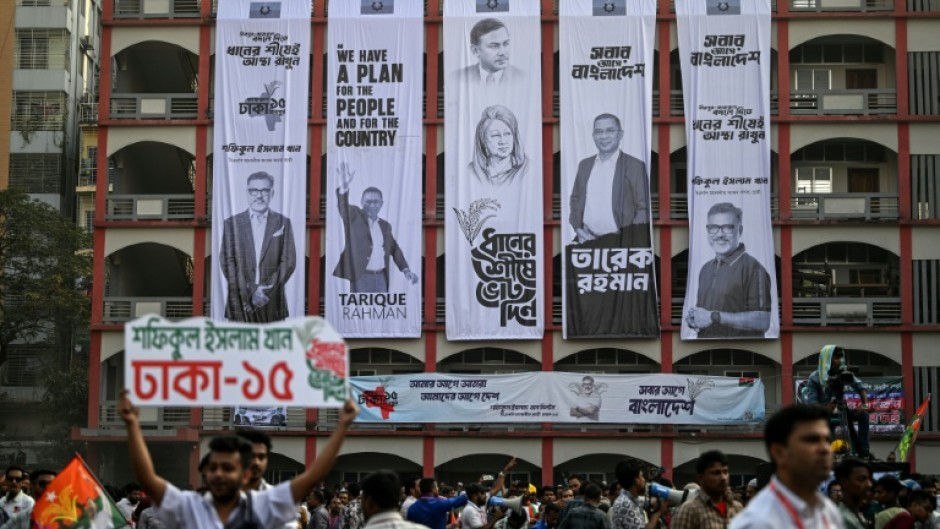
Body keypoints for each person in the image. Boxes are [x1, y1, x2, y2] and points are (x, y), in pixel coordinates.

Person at [117, 389, 358, 529]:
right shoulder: (190, 506)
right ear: (205, 473)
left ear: (243, 473)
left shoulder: (264, 504)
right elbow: (148, 479)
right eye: (214, 468)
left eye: (227, 468)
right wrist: (132, 424)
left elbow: (313, 476)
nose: (219, 474)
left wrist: (343, 425)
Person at [729, 404, 843, 529]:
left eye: (827, 440)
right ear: (779, 452)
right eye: (812, 440)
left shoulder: (827, 509)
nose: (825, 449)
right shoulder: (758, 522)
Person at [685, 202, 772, 338]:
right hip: (705, 347)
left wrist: (714, 317)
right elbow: (705, 316)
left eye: (727, 227)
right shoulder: (705, 269)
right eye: (713, 228)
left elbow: (763, 321)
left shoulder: (753, 269)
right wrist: (695, 319)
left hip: (739, 349)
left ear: (740, 230)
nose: (719, 234)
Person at [220, 170, 297, 322]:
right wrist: (251, 290)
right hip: (241, 303)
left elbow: (288, 261)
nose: (259, 195)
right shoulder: (232, 224)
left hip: (272, 303)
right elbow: (227, 261)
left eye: (265, 190)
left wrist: (264, 292)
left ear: (272, 193)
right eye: (254, 190)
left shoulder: (283, 223)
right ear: (247, 193)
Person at [333, 162, 418, 293]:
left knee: (382, 307)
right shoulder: (353, 216)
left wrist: (406, 270)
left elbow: (394, 249)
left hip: (381, 277)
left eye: (376, 202)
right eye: (368, 202)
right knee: (360, 306)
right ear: (362, 202)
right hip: (360, 278)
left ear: (381, 204)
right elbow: (343, 206)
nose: (372, 205)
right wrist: (344, 188)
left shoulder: (385, 226)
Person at [568, 114, 650, 247]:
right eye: (598, 132)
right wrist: (578, 228)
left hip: (620, 243)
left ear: (620, 134)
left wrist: (630, 238)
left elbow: (643, 208)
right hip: (587, 239)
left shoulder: (635, 166)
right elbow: (575, 199)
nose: (604, 136)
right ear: (593, 136)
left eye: (610, 130)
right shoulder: (584, 165)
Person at [802, 345, 872, 459]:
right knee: (827, 432)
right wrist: (824, 409)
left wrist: (864, 405)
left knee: (863, 415)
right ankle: (828, 455)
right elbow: (812, 403)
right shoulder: (814, 378)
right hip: (824, 413)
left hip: (842, 409)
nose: (840, 361)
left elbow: (860, 387)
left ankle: (864, 451)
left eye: (841, 358)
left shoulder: (844, 373)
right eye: (836, 358)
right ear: (827, 359)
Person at [671, 450, 743, 528]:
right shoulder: (688, 511)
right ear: (701, 478)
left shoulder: (737, 508)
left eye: (725, 472)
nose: (723, 477)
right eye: (716, 473)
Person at [468, 105, 529, 186]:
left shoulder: (527, 169)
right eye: (495, 135)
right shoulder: (472, 171)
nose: (503, 141)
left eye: (507, 134)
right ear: (483, 141)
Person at [452, 18, 524, 86]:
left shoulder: (523, 77)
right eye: (494, 46)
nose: (502, 52)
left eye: (506, 44)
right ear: (475, 51)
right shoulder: (457, 78)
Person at [610, 460, 669, 529]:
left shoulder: (631, 498)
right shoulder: (625, 503)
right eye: (642, 476)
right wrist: (657, 513)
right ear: (636, 480)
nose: (644, 480)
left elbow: (651, 501)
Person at [836, 458, 873, 529]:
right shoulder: (842, 519)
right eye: (861, 479)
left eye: (869, 479)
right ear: (844, 482)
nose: (869, 485)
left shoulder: (856, 513)